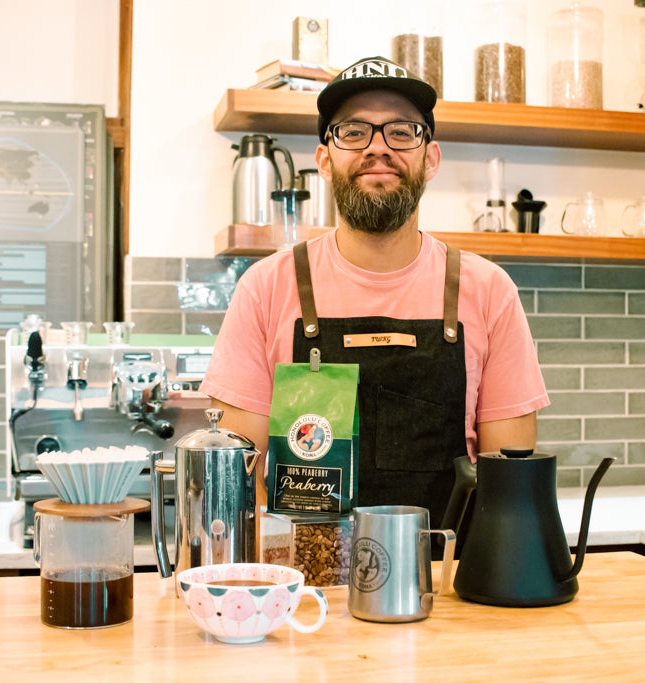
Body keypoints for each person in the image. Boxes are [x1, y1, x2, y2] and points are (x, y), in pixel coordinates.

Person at [200, 56, 549, 524]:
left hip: (449, 583)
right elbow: (238, 489)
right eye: (353, 131)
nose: (378, 148)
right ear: (325, 159)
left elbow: (511, 492)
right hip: (306, 587)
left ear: (431, 158)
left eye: (402, 131)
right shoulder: (265, 288)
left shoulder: (488, 291)